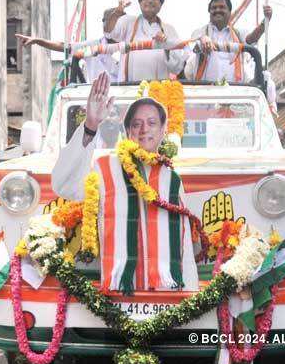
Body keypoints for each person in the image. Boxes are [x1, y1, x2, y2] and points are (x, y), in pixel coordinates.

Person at [51, 72, 198, 292]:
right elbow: (63, 185)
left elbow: (183, 244)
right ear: (128, 132)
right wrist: (90, 126)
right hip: (118, 299)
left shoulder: (172, 179)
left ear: (163, 131)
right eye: (136, 124)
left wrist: (189, 297)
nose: (144, 129)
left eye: (151, 123)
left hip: (166, 299)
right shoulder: (106, 169)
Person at [104, 0, 185, 82]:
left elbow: (177, 68)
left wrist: (166, 47)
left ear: (160, 4)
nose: (150, 0)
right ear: (140, 3)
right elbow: (109, 32)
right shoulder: (128, 22)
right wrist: (119, 9)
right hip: (129, 91)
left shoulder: (169, 30)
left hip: (158, 92)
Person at [185, 0, 273, 82]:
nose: (217, 10)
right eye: (214, 8)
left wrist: (265, 21)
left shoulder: (238, 33)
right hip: (205, 91)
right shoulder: (200, 32)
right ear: (209, 12)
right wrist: (202, 39)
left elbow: (251, 39)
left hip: (234, 91)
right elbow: (192, 47)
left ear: (229, 12)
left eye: (222, 7)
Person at [16, 8, 119, 82]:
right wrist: (37, 41)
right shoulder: (93, 46)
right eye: (106, 22)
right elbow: (64, 47)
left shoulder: (132, 46)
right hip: (99, 102)